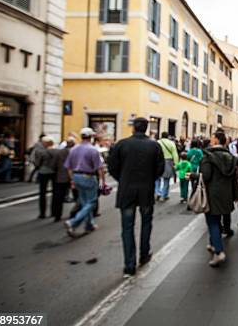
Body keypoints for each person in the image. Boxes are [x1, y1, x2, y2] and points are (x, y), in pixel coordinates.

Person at [107, 118, 164, 278]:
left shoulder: (122, 144)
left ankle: (129, 265)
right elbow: (159, 169)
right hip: (146, 189)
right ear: (146, 129)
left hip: (127, 190)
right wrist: (149, 179)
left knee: (127, 228)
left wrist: (123, 179)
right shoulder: (154, 145)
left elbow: (112, 166)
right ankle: (144, 254)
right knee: (146, 223)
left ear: (133, 128)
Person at [188, 132, 238, 267]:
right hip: (226, 194)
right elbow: (234, 178)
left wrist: (192, 175)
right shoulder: (231, 157)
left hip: (212, 194)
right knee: (217, 219)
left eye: (212, 137)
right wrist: (235, 195)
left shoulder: (208, 156)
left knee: (213, 222)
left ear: (216, 140)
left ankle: (219, 252)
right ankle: (212, 244)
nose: (210, 139)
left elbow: (206, 176)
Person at [64, 128, 106, 236]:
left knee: (84, 202)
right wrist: (102, 182)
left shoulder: (73, 149)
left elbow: (68, 167)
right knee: (91, 202)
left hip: (76, 176)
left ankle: (89, 224)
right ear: (91, 137)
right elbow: (99, 168)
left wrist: (72, 180)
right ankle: (73, 222)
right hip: (88, 177)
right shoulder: (93, 150)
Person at [51, 137, 75, 221]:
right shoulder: (75, 152)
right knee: (77, 196)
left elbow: (53, 164)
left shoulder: (59, 152)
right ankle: (75, 213)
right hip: (74, 177)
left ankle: (57, 215)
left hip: (61, 177)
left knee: (59, 197)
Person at [35, 136, 56, 219]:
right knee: (55, 192)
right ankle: (54, 212)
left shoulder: (41, 152)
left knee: (42, 193)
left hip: (43, 172)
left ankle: (42, 213)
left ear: (45, 143)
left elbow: (37, 163)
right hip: (54, 172)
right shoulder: (56, 151)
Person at [155, 132, 179, 201]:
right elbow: (175, 154)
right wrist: (176, 164)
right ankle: (163, 195)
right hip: (168, 161)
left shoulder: (157, 142)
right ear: (168, 136)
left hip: (158, 161)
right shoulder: (171, 143)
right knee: (166, 179)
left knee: (157, 178)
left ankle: (157, 192)